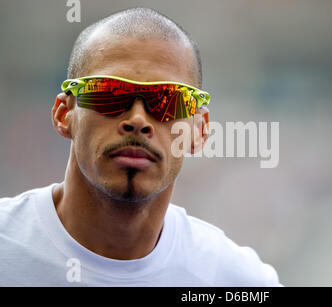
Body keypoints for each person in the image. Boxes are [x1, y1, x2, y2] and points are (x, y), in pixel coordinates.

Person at [0, 7, 281, 286]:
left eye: (168, 101)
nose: (137, 120)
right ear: (64, 114)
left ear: (199, 130)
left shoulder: (238, 281)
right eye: (109, 93)